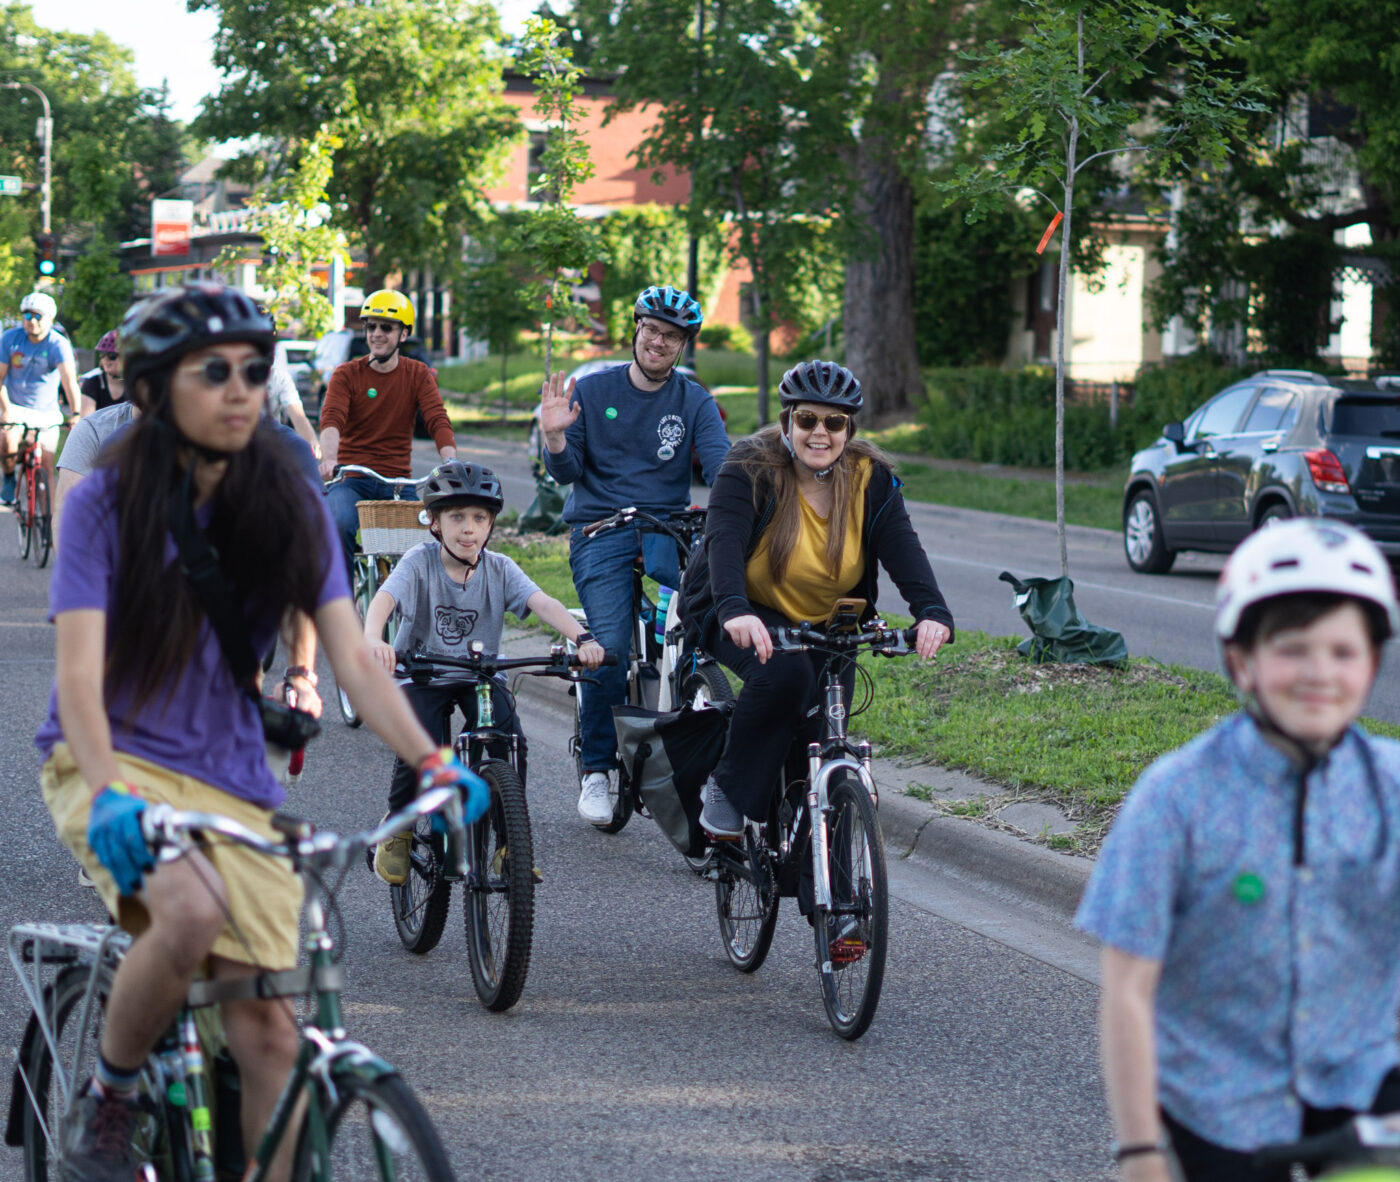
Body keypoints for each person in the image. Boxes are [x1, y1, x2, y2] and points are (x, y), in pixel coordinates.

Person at [37, 283, 488, 1182]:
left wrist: (431, 758)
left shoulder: (286, 499)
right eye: (216, 372)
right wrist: (113, 791)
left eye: (255, 369)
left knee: (274, 1028)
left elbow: (358, 655)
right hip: (110, 758)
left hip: (231, 770)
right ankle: (113, 1093)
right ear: (157, 389)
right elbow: (78, 678)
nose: (242, 388)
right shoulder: (102, 504)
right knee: (193, 908)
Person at [1076, 519, 1400, 1182]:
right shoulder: (1176, 797)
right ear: (1241, 660)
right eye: (1292, 649)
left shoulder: (1390, 788)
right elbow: (1128, 990)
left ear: (1371, 664)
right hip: (1219, 1106)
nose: (1319, 673)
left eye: (1343, 652)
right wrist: (1140, 1152)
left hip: (1366, 1093)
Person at [680, 360, 953, 846]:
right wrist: (734, 608)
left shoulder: (871, 479)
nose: (819, 433)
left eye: (834, 422)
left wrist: (931, 612)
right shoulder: (749, 467)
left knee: (822, 736)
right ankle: (727, 787)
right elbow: (723, 539)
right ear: (787, 422)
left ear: (850, 428)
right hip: (742, 606)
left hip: (831, 621)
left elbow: (903, 547)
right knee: (786, 677)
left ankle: (838, 911)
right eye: (807, 419)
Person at [539, 283, 729, 825]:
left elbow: (718, 464)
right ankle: (597, 768)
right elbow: (568, 471)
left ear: (683, 346)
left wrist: (740, 499)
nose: (660, 342)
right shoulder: (592, 390)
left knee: (702, 628)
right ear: (636, 331)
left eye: (672, 336)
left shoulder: (693, 400)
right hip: (602, 528)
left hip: (668, 528)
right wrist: (554, 439)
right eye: (652, 330)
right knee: (612, 646)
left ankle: (695, 740)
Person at [363, 459, 606, 883]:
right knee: (418, 746)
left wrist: (582, 639)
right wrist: (373, 638)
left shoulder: (500, 568)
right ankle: (398, 828)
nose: (468, 528)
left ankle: (511, 843)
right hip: (422, 672)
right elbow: (384, 600)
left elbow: (543, 603)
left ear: (491, 524)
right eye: (456, 517)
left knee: (510, 740)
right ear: (435, 522)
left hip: (479, 675)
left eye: (479, 518)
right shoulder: (419, 563)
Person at [317, 289, 457, 572]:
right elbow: (332, 419)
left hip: (398, 484)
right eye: (371, 327)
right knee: (338, 522)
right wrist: (329, 459)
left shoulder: (417, 374)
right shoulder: (347, 374)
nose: (377, 334)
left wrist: (451, 462)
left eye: (386, 328)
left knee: (426, 538)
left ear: (403, 335)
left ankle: (413, 607)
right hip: (351, 478)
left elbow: (437, 420)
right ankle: (341, 604)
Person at [0, 290, 82, 504]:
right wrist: (6, 409)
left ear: (50, 319)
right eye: (27, 315)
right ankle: (8, 478)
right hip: (14, 406)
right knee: (7, 442)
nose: (32, 321)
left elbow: (69, 381)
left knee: (47, 464)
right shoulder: (10, 339)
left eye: (38, 316)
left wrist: (75, 414)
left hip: (46, 411)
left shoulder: (58, 344)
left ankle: (48, 525)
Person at [78, 330, 124, 415]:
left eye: (112, 356)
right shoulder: (93, 383)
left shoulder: (137, 385)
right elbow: (87, 421)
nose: (105, 359)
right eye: (102, 354)